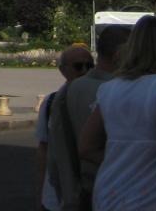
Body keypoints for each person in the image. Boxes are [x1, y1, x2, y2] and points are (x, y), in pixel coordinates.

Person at [79, 16, 156, 210]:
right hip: (152, 194)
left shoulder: (110, 89)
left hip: (109, 192)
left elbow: (86, 147)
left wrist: (124, 162)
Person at [49, 27, 132, 211]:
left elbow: (58, 145)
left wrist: (66, 193)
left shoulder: (69, 90)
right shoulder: (121, 90)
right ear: (120, 54)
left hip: (81, 190)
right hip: (116, 188)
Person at [36, 44, 96, 210]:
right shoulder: (50, 102)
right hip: (55, 195)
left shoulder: (102, 98)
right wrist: (40, 194)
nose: (85, 71)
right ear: (63, 70)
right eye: (78, 66)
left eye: (89, 66)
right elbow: (43, 148)